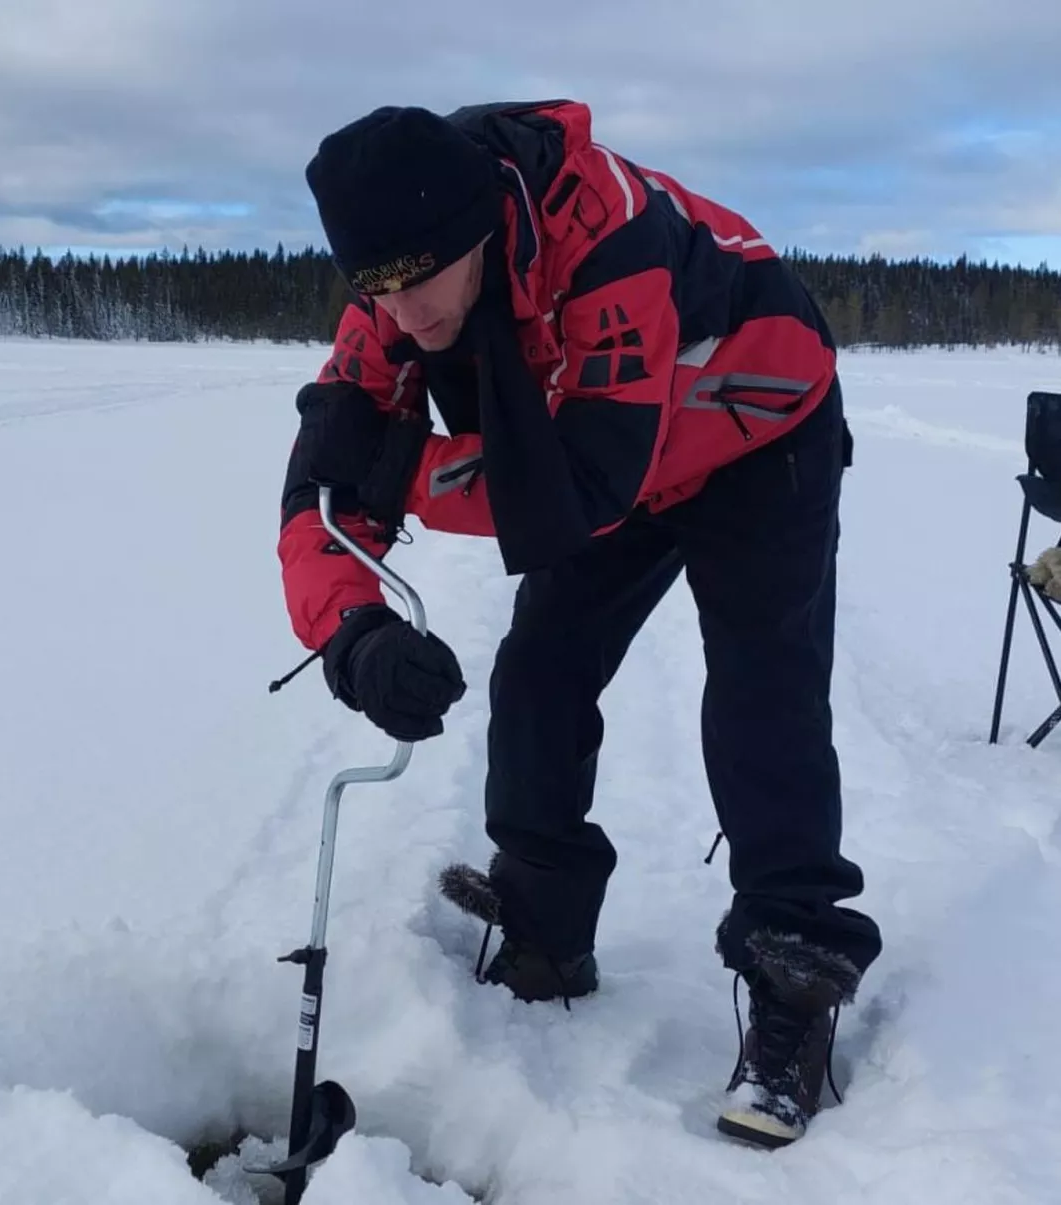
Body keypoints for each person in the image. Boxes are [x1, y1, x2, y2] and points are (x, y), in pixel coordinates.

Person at [275, 99, 882, 1150]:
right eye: (373, 286)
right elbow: (321, 500)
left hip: (758, 425)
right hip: (614, 456)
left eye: (418, 279)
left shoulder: (600, 234)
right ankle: (545, 930)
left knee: (761, 688)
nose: (402, 314)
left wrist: (399, 468)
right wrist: (355, 636)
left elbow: (583, 485)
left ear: (478, 230)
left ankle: (795, 977)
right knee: (540, 674)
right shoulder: (389, 295)